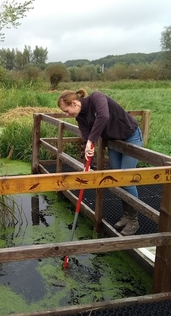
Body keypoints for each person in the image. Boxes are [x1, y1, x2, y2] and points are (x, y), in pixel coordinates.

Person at [57, 89, 143, 236]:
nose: (66, 114)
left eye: (66, 110)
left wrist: (92, 139)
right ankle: (127, 215)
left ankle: (134, 220)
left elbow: (103, 116)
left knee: (127, 180)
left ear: (74, 103)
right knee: (117, 179)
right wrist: (88, 147)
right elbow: (86, 135)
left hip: (130, 137)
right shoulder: (80, 117)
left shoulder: (96, 98)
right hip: (114, 141)